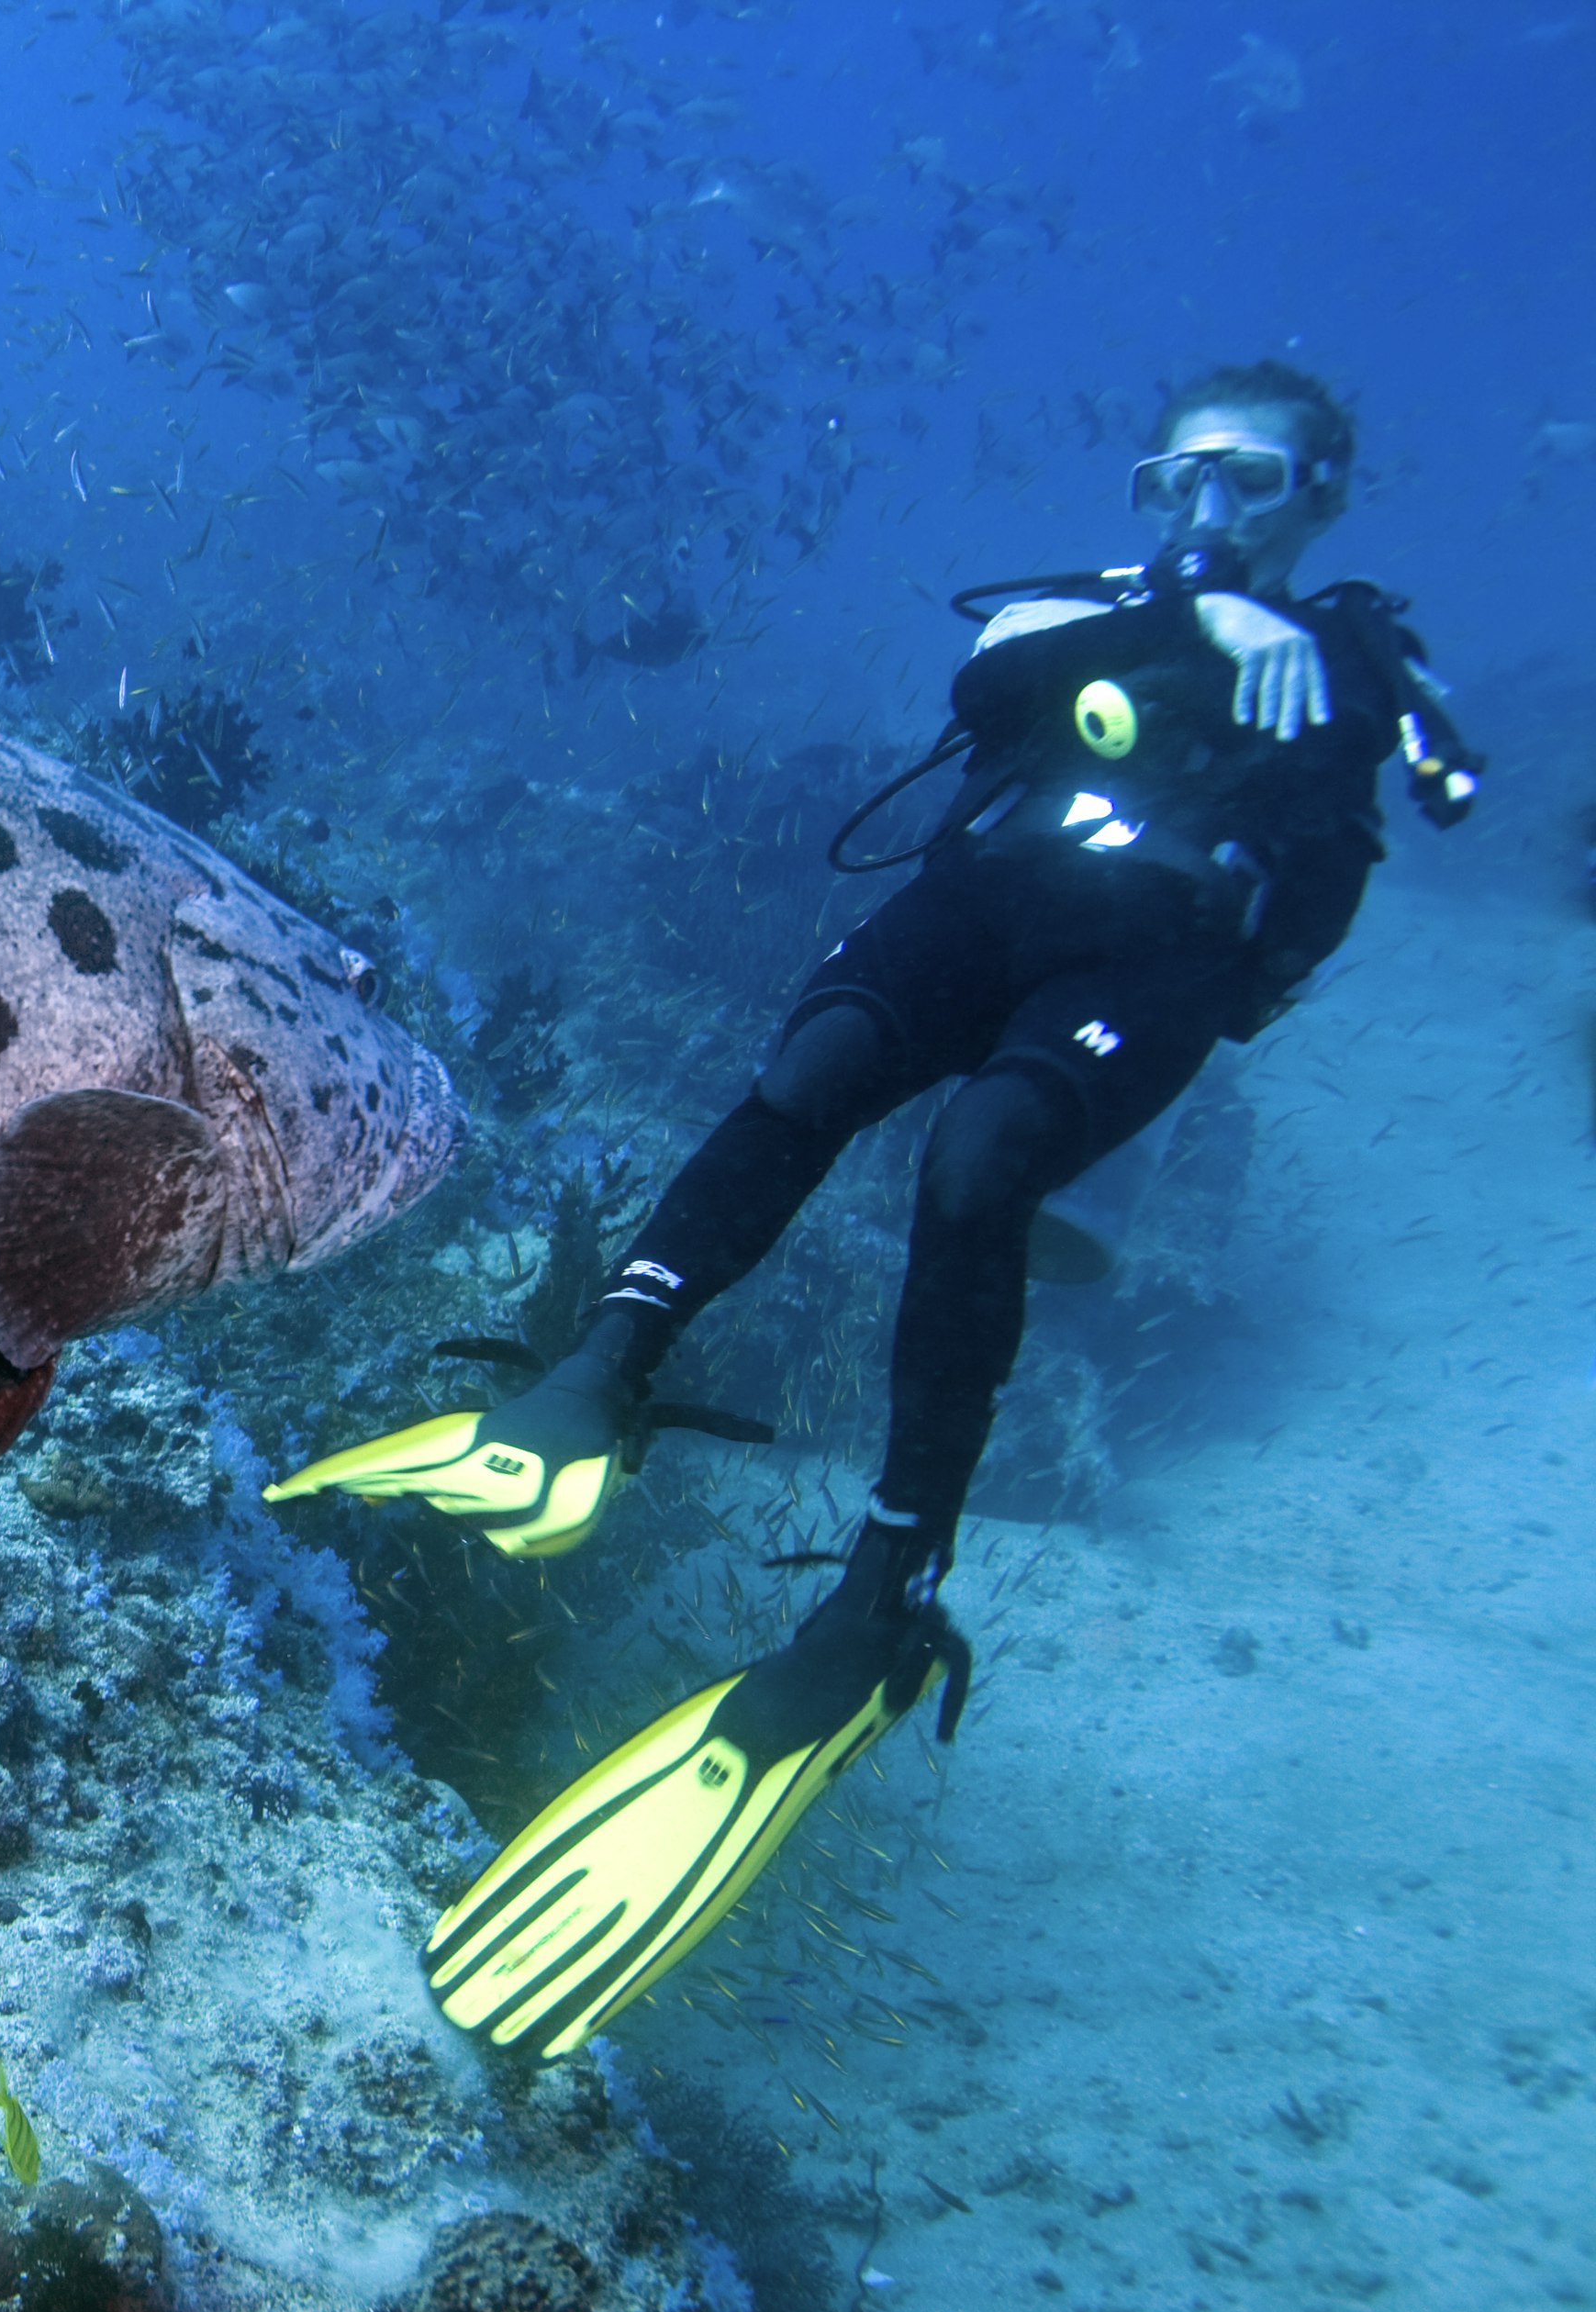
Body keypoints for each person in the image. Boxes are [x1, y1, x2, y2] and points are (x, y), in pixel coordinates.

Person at [268, 360, 1485, 2061]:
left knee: (979, 1166)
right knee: (806, 1077)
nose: (1209, 514)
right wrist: (1191, 628)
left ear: (1322, 498)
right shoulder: (1088, 606)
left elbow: (1425, 792)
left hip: (1152, 960)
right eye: (1179, 477)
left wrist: (1339, 686)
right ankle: (604, 1364)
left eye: (1255, 485)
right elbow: (995, 675)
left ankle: (888, 1584)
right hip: (983, 904)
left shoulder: (1355, 660)